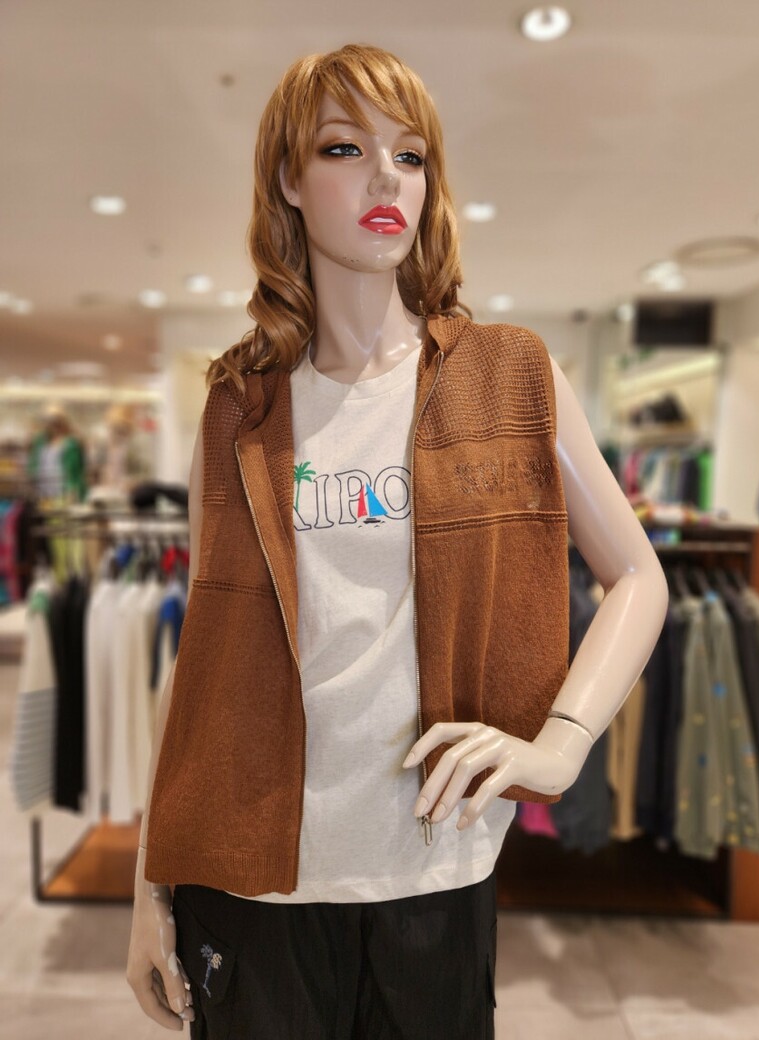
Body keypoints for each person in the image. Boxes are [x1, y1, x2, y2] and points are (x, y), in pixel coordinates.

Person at [127, 43, 668, 1039]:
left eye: (409, 155)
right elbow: (201, 654)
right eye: (345, 148)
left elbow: (637, 574)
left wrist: (561, 744)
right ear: (289, 180)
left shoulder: (510, 374)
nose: (386, 177)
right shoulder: (238, 407)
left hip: (434, 866)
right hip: (247, 877)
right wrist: (149, 879)